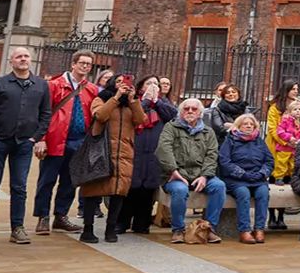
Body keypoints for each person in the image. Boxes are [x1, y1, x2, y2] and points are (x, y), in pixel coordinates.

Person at [0, 47, 50, 246]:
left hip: (24, 143)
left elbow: (46, 113)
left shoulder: (41, 85)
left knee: (19, 186)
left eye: (26, 56)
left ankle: (17, 227)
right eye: (19, 56)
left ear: (31, 60)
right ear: (11, 61)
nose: (23, 59)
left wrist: (35, 137)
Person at [35, 51, 99, 235]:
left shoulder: (91, 89)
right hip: (55, 140)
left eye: (88, 64)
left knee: (69, 182)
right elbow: (43, 113)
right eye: (82, 63)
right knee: (47, 181)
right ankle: (43, 217)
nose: (85, 67)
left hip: (78, 142)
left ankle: (61, 216)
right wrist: (41, 139)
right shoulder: (55, 85)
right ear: (73, 64)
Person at [79, 73, 145, 243]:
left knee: (118, 191)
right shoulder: (101, 98)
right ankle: (88, 229)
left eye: (126, 83)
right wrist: (115, 98)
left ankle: (111, 228)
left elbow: (140, 120)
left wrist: (133, 100)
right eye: (118, 82)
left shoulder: (131, 103)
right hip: (101, 151)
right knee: (93, 190)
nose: (122, 86)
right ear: (111, 84)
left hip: (123, 153)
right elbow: (100, 115)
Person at [157, 96, 226, 244]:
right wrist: (174, 171)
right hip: (174, 175)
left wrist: (205, 176)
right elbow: (164, 150)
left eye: (194, 109)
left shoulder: (208, 132)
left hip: (200, 176)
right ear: (180, 112)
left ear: (200, 113)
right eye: (186, 109)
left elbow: (212, 155)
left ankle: (208, 229)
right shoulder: (171, 127)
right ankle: (178, 230)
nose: (189, 111)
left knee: (219, 186)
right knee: (180, 190)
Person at [119, 76, 177, 235]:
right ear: (140, 87)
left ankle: (141, 223)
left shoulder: (163, 104)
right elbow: (132, 117)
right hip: (134, 149)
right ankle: (122, 222)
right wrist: (146, 101)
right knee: (131, 187)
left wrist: (156, 102)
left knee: (148, 188)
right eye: (149, 83)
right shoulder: (133, 101)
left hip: (153, 152)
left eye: (156, 84)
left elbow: (173, 116)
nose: (153, 86)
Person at [220, 112, 273, 244]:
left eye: (251, 124)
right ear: (238, 126)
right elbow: (225, 161)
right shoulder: (230, 140)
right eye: (245, 124)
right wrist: (242, 174)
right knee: (243, 194)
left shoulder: (259, 141)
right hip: (237, 179)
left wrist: (262, 173)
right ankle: (245, 230)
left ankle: (259, 229)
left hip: (257, 178)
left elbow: (269, 161)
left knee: (263, 193)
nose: (249, 126)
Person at [264, 80, 300, 232]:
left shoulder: (297, 106)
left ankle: (281, 216)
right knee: (275, 181)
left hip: (293, 149)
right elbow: (272, 129)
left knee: (287, 180)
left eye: (297, 89)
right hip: (276, 147)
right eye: (293, 89)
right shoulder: (275, 108)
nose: (295, 91)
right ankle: (272, 216)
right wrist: (287, 141)